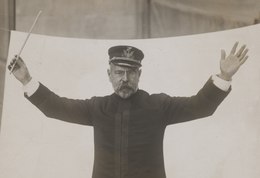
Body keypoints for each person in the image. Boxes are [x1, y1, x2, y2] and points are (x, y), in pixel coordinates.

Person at [8, 42, 248, 178]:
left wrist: (224, 75)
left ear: (139, 74)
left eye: (131, 72)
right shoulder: (97, 108)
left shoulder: (159, 106)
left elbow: (201, 106)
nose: (125, 78)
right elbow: (55, 107)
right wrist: (27, 78)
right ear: (109, 75)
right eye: (119, 72)